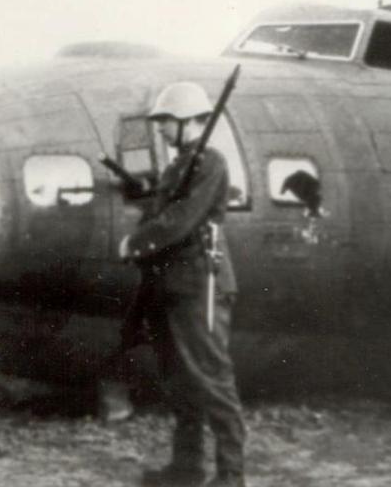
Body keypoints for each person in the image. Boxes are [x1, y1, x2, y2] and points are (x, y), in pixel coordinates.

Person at [119, 82, 247, 487]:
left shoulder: (210, 163)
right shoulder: (178, 167)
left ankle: (232, 476)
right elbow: (164, 210)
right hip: (172, 285)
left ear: (187, 121)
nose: (159, 129)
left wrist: (135, 242)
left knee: (211, 377)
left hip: (199, 283)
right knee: (179, 380)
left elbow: (181, 220)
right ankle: (187, 468)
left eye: (165, 122)